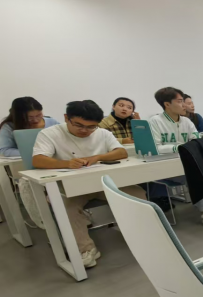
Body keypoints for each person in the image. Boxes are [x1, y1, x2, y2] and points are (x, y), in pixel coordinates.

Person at [31, 100, 145, 268]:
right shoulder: (50, 133)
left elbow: (121, 152)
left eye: (91, 127)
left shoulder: (102, 133)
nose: (85, 130)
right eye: (79, 125)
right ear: (66, 118)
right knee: (67, 206)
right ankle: (86, 249)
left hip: (102, 182)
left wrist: (97, 157)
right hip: (72, 187)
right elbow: (38, 160)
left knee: (137, 193)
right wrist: (66, 163)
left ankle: (142, 234)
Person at [149, 87, 203, 228]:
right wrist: (181, 147)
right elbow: (155, 147)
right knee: (195, 174)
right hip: (167, 168)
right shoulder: (155, 121)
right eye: (180, 101)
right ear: (167, 104)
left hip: (187, 164)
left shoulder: (187, 122)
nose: (184, 105)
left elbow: (196, 140)